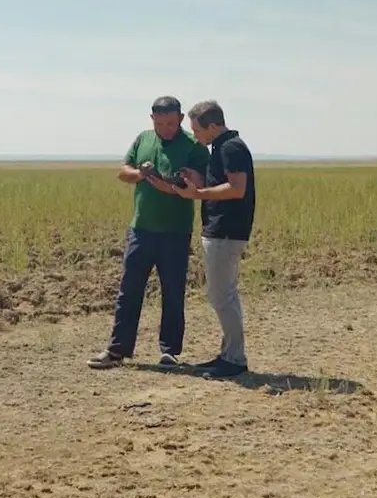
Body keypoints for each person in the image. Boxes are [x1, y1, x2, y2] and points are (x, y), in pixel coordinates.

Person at [88, 96, 211, 369]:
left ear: (181, 119)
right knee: (129, 290)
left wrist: (178, 184)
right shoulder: (143, 139)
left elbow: (204, 183)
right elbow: (123, 171)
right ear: (152, 119)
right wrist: (141, 175)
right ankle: (117, 350)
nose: (166, 129)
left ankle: (169, 352)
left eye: (171, 123)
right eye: (160, 123)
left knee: (173, 292)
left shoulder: (194, 146)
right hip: (140, 229)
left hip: (175, 231)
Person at [173, 100, 255, 378]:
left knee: (222, 296)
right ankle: (229, 354)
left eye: (197, 130)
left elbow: (236, 189)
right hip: (221, 230)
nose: (196, 136)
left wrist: (196, 194)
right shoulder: (222, 148)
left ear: (212, 126)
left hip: (226, 231)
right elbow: (223, 184)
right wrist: (199, 179)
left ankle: (234, 359)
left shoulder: (231, 148)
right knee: (223, 295)